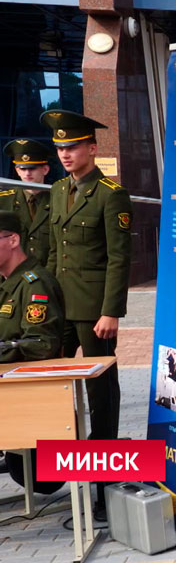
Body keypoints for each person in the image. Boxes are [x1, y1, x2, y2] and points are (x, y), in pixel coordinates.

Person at [41, 110, 132, 443]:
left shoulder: (111, 194)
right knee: (50, 375)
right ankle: (61, 444)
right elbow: (55, 251)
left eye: (74, 147)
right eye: (61, 148)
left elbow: (119, 258)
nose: (65, 154)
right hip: (60, 306)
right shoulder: (58, 189)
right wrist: (46, 300)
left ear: (92, 149)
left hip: (95, 311)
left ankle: (104, 454)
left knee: (101, 386)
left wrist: (111, 311)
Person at [0, 210, 67, 493]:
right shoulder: (6, 282)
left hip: (25, 395)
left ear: (13, 240)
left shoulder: (34, 284)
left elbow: (40, 344)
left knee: (38, 478)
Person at [2, 139, 55, 265]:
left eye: (32, 168)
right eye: (22, 168)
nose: (27, 173)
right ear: (17, 170)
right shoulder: (4, 200)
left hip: (47, 274)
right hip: (13, 275)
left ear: (45, 169)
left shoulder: (57, 200)